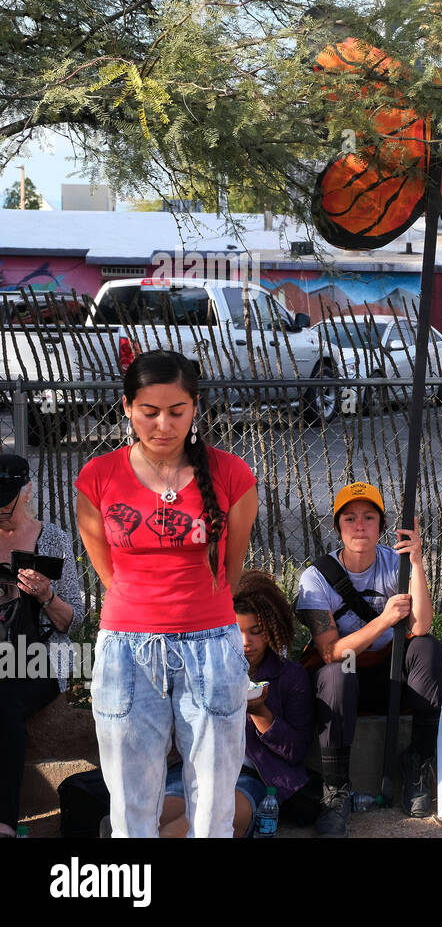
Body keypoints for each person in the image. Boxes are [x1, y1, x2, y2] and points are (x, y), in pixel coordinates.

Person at [76, 350, 258, 837]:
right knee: (131, 800)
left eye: (176, 411)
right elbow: (105, 568)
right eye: (149, 411)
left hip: (213, 649)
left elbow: (232, 566)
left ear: (195, 408)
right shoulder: (97, 477)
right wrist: (142, 609)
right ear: (127, 407)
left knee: (214, 800)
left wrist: (197, 610)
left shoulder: (233, 475)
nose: (162, 424)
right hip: (125, 652)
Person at [296, 482, 442, 837]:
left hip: (388, 676)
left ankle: (419, 764)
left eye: (369, 517)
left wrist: (418, 561)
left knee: (427, 648)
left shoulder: (397, 565)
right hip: (346, 681)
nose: (360, 525)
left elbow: (420, 625)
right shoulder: (316, 578)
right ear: (337, 527)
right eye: (350, 518)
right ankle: (336, 791)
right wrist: (383, 620)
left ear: (381, 525)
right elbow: (331, 651)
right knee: (337, 671)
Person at [159, 570, 319, 837]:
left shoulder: (290, 676)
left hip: (250, 779)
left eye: (256, 632)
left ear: (271, 629)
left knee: (199, 824)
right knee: (155, 819)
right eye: (236, 631)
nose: (246, 642)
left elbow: (296, 750)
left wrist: (260, 713)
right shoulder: (201, 668)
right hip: (195, 771)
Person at [0, 454, 85, 838]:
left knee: (3, 703)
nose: (0, 511)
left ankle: (4, 822)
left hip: (40, 656)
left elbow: (73, 619)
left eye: (6, 502)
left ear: (26, 492)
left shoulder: (52, 539)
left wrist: (47, 595)